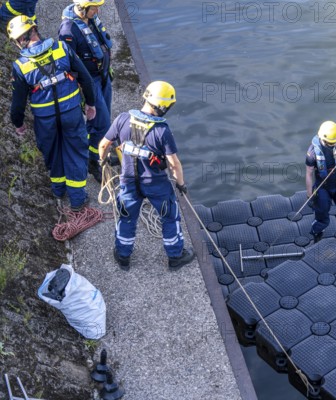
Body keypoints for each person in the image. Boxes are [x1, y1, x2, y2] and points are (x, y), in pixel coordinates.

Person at [98, 81, 195, 271]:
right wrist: (181, 184)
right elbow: (174, 163)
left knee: (126, 218)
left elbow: (103, 145)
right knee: (169, 217)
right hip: (156, 184)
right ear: (163, 105)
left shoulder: (122, 119)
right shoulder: (162, 131)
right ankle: (175, 256)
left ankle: (123, 256)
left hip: (128, 181)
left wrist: (104, 161)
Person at [8, 15, 96, 211]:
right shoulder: (62, 48)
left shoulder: (20, 66)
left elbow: (17, 104)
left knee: (52, 152)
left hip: (45, 120)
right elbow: (86, 78)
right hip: (71, 113)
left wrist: (18, 124)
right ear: (34, 30)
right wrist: (90, 103)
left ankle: (58, 190)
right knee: (76, 152)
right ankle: (77, 200)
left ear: (20, 40)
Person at [59, 0, 112, 183]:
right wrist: (83, 91)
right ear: (82, 8)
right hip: (90, 82)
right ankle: (94, 162)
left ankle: (96, 150)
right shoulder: (68, 31)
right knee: (102, 124)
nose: (97, 10)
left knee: (101, 122)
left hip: (103, 76)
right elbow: (69, 64)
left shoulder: (91, 19)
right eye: (94, 7)